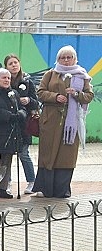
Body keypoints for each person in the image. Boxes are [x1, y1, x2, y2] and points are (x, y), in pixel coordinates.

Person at [33, 46, 94, 198]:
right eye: (63, 58)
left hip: (71, 123)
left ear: (75, 59)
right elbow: (40, 92)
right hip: (51, 120)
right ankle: (46, 189)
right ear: (58, 59)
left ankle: (62, 190)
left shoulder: (82, 76)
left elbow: (89, 96)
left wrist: (77, 94)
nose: (66, 60)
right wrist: (55, 97)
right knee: (48, 154)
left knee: (66, 155)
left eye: (69, 57)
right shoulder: (51, 74)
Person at [0, 68, 26, 200]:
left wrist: (22, 114)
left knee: (6, 162)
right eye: (4, 78)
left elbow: (22, 107)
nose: (7, 80)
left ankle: (3, 188)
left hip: (11, 133)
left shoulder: (14, 93)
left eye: (8, 78)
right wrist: (10, 116)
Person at [4, 54, 40, 195]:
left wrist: (28, 100)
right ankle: (6, 183)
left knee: (24, 154)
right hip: (8, 122)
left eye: (16, 62)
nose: (14, 65)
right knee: (7, 155)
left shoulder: (27, 81)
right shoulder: (3, 80)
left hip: (23, 124)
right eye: (10, 63)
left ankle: (32, 182)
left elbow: (36, 102)